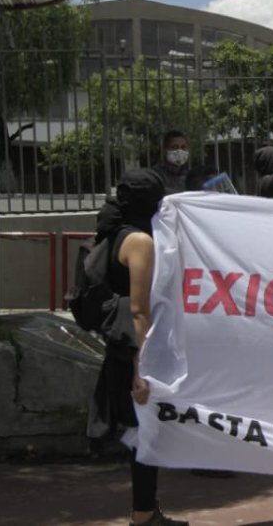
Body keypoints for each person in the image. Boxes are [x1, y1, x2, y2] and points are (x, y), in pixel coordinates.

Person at [87, 169, 188, 525]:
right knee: (145, 434)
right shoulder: (139, 242)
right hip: (132, 349)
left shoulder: (112, 231)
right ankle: (143, 515)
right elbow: (138, 310)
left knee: (143, 433)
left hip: (118, 344)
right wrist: (141, 370)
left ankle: (145, 510)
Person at [151, 131, 190, 195]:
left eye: (183, 147)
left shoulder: (189, 176)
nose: (179, 151)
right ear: (165, 150)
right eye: (174, 147)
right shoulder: (155, 175)